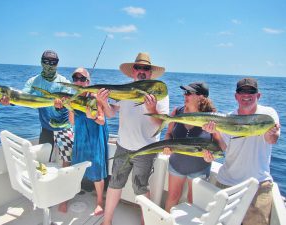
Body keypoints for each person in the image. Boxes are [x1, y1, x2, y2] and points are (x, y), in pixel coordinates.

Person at [97, 52, 169, 225]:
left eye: (146, 68)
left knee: (140, 188)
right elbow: (111, 113)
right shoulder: (124, 90)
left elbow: (161, 122)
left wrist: (152, 108)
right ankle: (107, 221)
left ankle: (145, 222)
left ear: (150, 73)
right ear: (132, 71)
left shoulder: (159, 93)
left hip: (145, 150)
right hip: (123, 146)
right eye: (138, 67)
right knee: (114, 184)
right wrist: (103, 102)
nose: (142, 71)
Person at [203, 78, 281, 225]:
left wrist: (273, 133)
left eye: (251, 91)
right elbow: (223, 147)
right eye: (242, 91)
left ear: (258, 95)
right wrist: (214, 133)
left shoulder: (268, 114)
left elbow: (272, 139)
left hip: (259, 184)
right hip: (227, 182)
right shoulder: (227, 118)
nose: (246, 95)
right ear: (236, 96)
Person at [0, 50, 71, 162]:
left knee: (67, 161)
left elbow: (67, 105)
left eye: (53, 62)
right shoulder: (33, 81)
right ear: (41, 62)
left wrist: (59, 106)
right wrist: (10, 101)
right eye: (46, 61)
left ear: (57, 63)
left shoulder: (64, 82)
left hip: (64, 127)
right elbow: (23, 97)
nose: (49, 65)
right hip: (46, 127)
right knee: (41, 161)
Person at [163, 82, 218, 212]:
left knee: (193, 202)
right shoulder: (177, 112)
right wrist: (167, 144)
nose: (185, 95)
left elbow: (220, 145)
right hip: (176, 165)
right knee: (172, 197)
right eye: (185, 92)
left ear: (201, 97)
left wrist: (212, 156)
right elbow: (169, 133)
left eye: (189, 93)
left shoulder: (212, 118)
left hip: (199, 168)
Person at [69, 67, 109, 216]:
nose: (78, 82)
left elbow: (102, 120)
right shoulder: (73, 98)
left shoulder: (94, 97)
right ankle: (70, 194)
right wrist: (69, 107)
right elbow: (72, 122)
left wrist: (92, 116)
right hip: (80, 137)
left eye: (82, 79)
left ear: (88, 82)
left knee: (96, 169)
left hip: (94, 137)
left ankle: (100, 202)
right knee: (77, 166)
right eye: (76, 79)